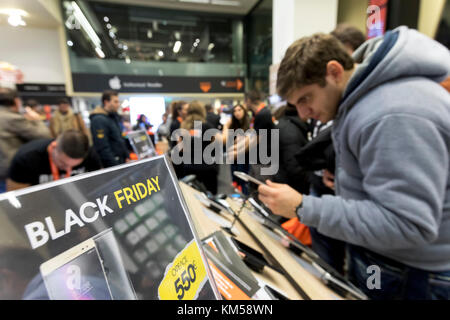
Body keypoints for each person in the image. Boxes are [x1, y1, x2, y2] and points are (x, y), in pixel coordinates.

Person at [258, 27, 450, 299]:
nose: (303, 113)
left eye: (305, 98)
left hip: (408, 275)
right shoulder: (366, 101)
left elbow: (408, 224)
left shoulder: (392, 112)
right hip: (387, 263)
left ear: (335, 72)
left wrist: (304, 207)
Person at [7, 130, 102, 191]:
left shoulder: (90, 154)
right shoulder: (27, 158)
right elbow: (17, 194)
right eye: (63, 163)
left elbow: (98, 182)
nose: (68, 169)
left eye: (74, 166)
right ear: (55, 147)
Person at [0, 88, 51, 193]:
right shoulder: (12, 118)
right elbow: (45, 136)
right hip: (11, 173)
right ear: (16, 101)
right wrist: (37, 120)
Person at [173, 101, 220, 194]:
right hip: (208, 168)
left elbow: (181, 149)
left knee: (191, 197)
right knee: (211, 199)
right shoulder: (207, 126)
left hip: (190, 167)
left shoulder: (183, 126)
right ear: (202, 111)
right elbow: (218, 141)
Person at [90, 90, 129, 168]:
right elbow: (102, 147)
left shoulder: (113, 117)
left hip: (121, 161)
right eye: (115, 102)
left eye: (118, 102)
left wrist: (126, 156)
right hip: (111, 165)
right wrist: (115, 166)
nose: (118, 104)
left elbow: (119, 139)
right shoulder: (98, 119)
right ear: (106, 102)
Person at [222, 104, 251, 194]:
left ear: (244, 111)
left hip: (245, 155)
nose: (237, 113)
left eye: (239, 110)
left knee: (243, 179)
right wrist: (226, 126)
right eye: (235, 111)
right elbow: (225, 140)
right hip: (234, 157)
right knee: (235, 177)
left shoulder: (250, 123)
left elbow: (250, 140)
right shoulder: (233, 125)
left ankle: (244, 194)